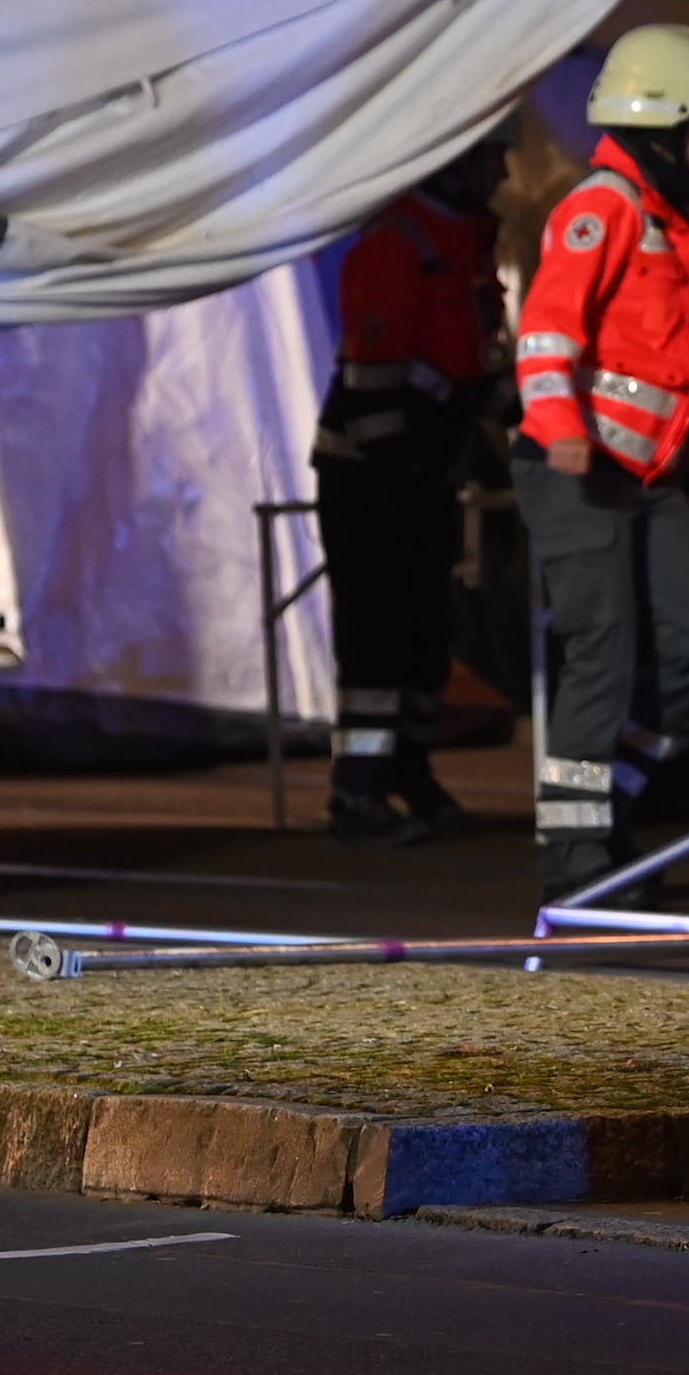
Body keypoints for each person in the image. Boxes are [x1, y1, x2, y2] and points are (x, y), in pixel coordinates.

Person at [514, 25, 689, 893]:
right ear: (671, 121)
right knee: (602, 651)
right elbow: (546, 332)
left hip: (642, 473)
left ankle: (603, 810)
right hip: (579, 467)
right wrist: (562, 425)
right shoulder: (603, 206)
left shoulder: (661, 214)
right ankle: (575, 860)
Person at [310, 126, 509, 843]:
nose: (504, 171)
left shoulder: (467, 245)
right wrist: (396, 477)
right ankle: (356, 792)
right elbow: (373, 378)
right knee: (376, 635)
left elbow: (475, 362)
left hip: (424, 465)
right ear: (460, 159)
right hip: (371, 474)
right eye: (495, 156)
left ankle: (408, 770)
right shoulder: (398, 243)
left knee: (426, 632)